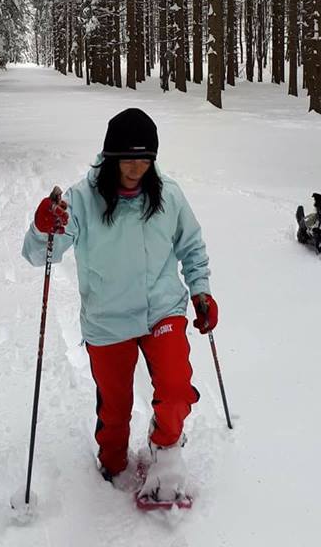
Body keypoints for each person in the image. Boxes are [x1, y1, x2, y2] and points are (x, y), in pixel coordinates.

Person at [22, 107, 218, 502]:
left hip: (162, 310)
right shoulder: (81, 199)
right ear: (110, 157)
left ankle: (164, 448)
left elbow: (192, 247)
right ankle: (112, 461)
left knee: (177, 389)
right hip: (108, 320)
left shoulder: (170, 195)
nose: (136, 167)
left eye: (145, 158)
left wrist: (200, 291)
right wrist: (45, 226)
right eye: (128, 158)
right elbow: (40, 254)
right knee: (114, 418)